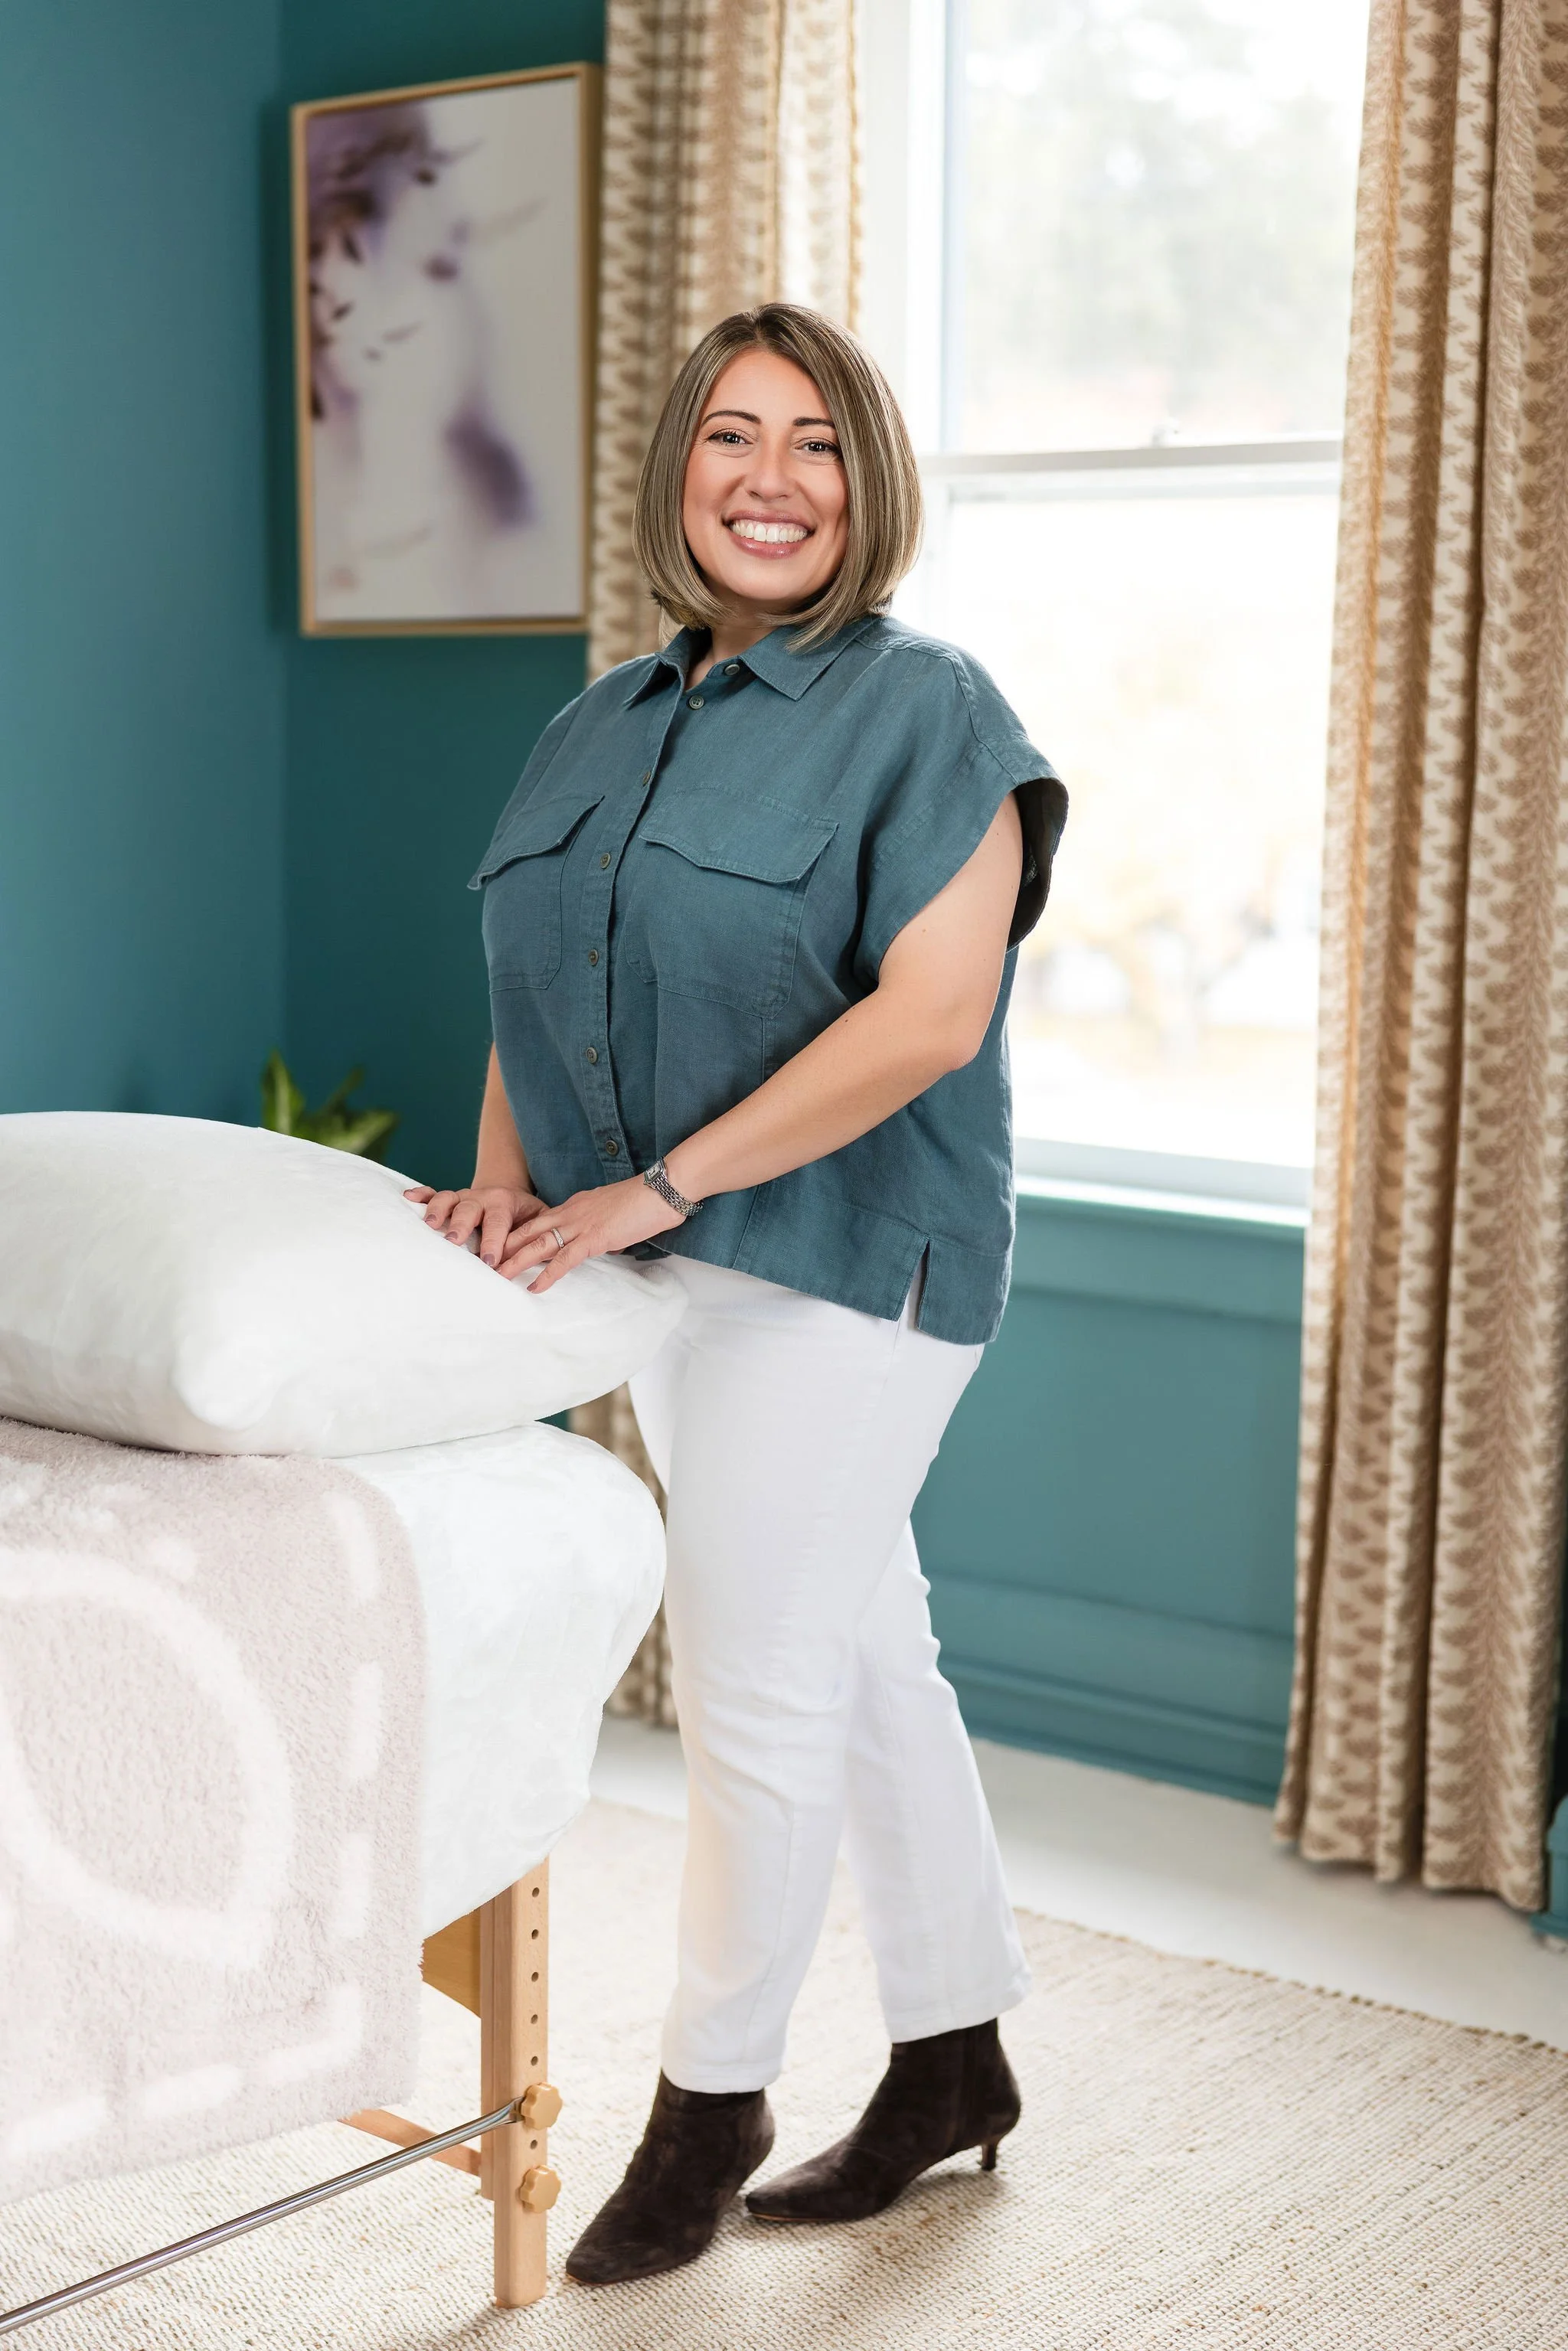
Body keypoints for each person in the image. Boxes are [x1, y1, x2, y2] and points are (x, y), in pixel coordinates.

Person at [409, 302, 1067, 2288]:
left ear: (868, 481)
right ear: (677, 470)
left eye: (818, 444)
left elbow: (933, 1020)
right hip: (661, 1265)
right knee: (861, 1649)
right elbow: (537, 981)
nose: (769, 478)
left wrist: (656, 1187)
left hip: (852, 1262)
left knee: (759, 1682)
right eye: (731, 436)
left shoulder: (934, 709)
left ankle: (711, 2103)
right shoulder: (598, 718)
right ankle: (955, 2050)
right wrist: (510, 1189)